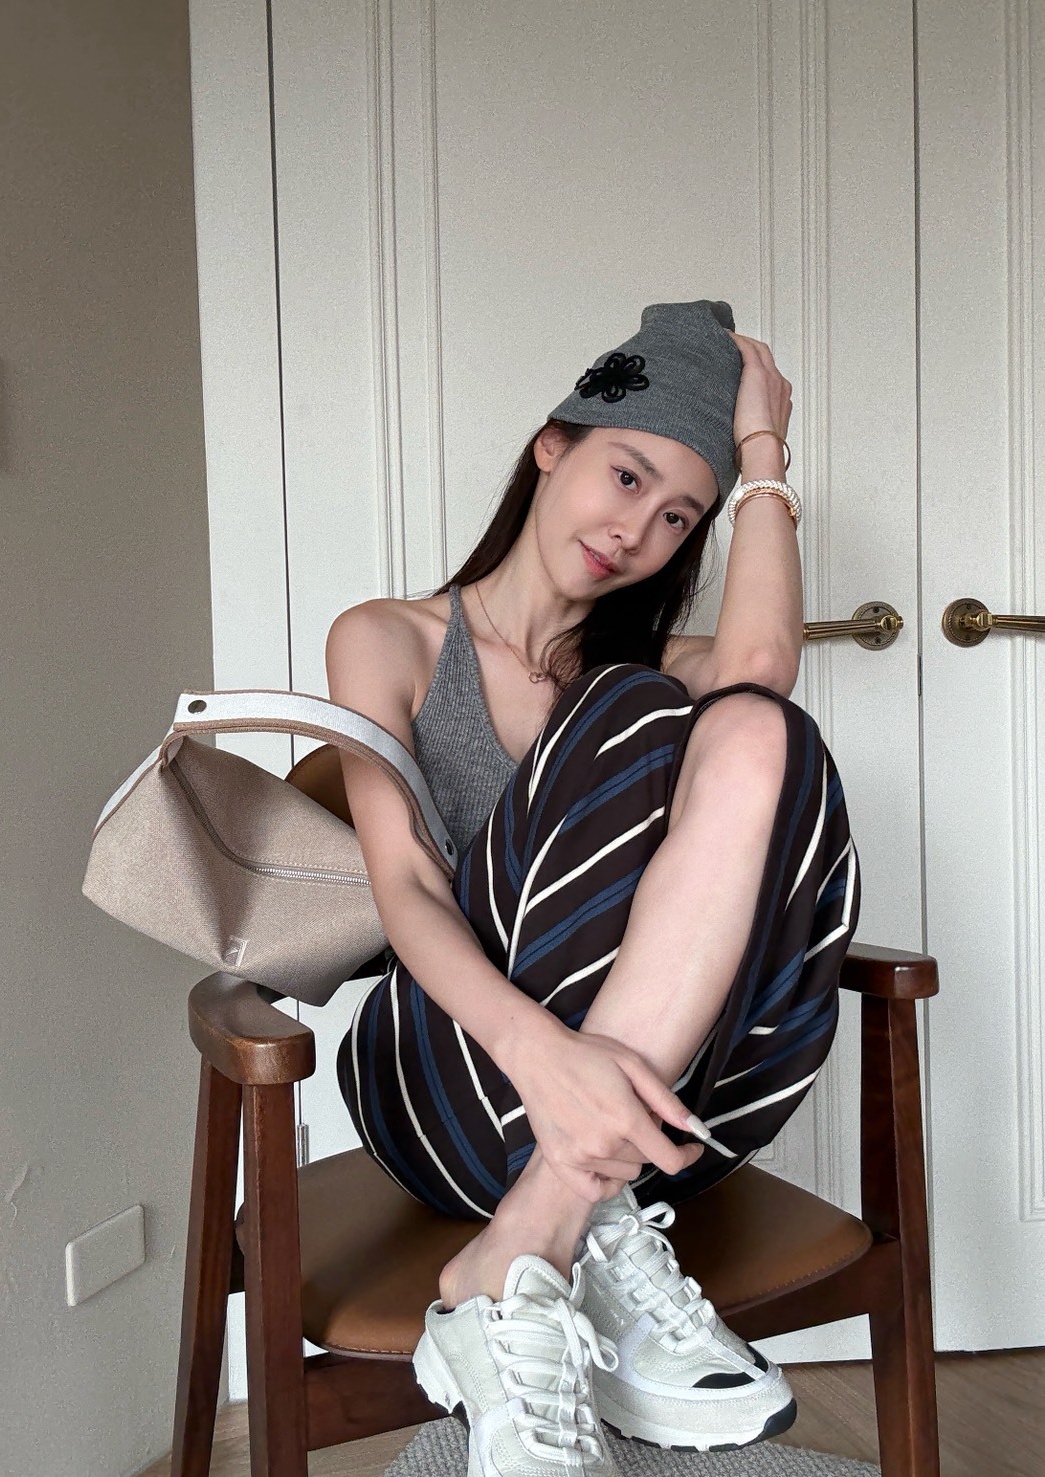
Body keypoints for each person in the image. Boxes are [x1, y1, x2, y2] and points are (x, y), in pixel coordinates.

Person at [325, 300, 860, 1474]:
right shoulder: (389, 639)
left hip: (648, 1121)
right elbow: (404, 888)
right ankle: (561, 1228)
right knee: (635, 704)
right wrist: (543, 1051)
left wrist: (763, 456)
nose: (636, 531)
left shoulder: (654, 662)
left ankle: (524, 1252)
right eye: (624, 476)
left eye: (677, 517)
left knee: (765, 736)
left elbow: (759, 671)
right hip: (453, 1080)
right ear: (549, 445)